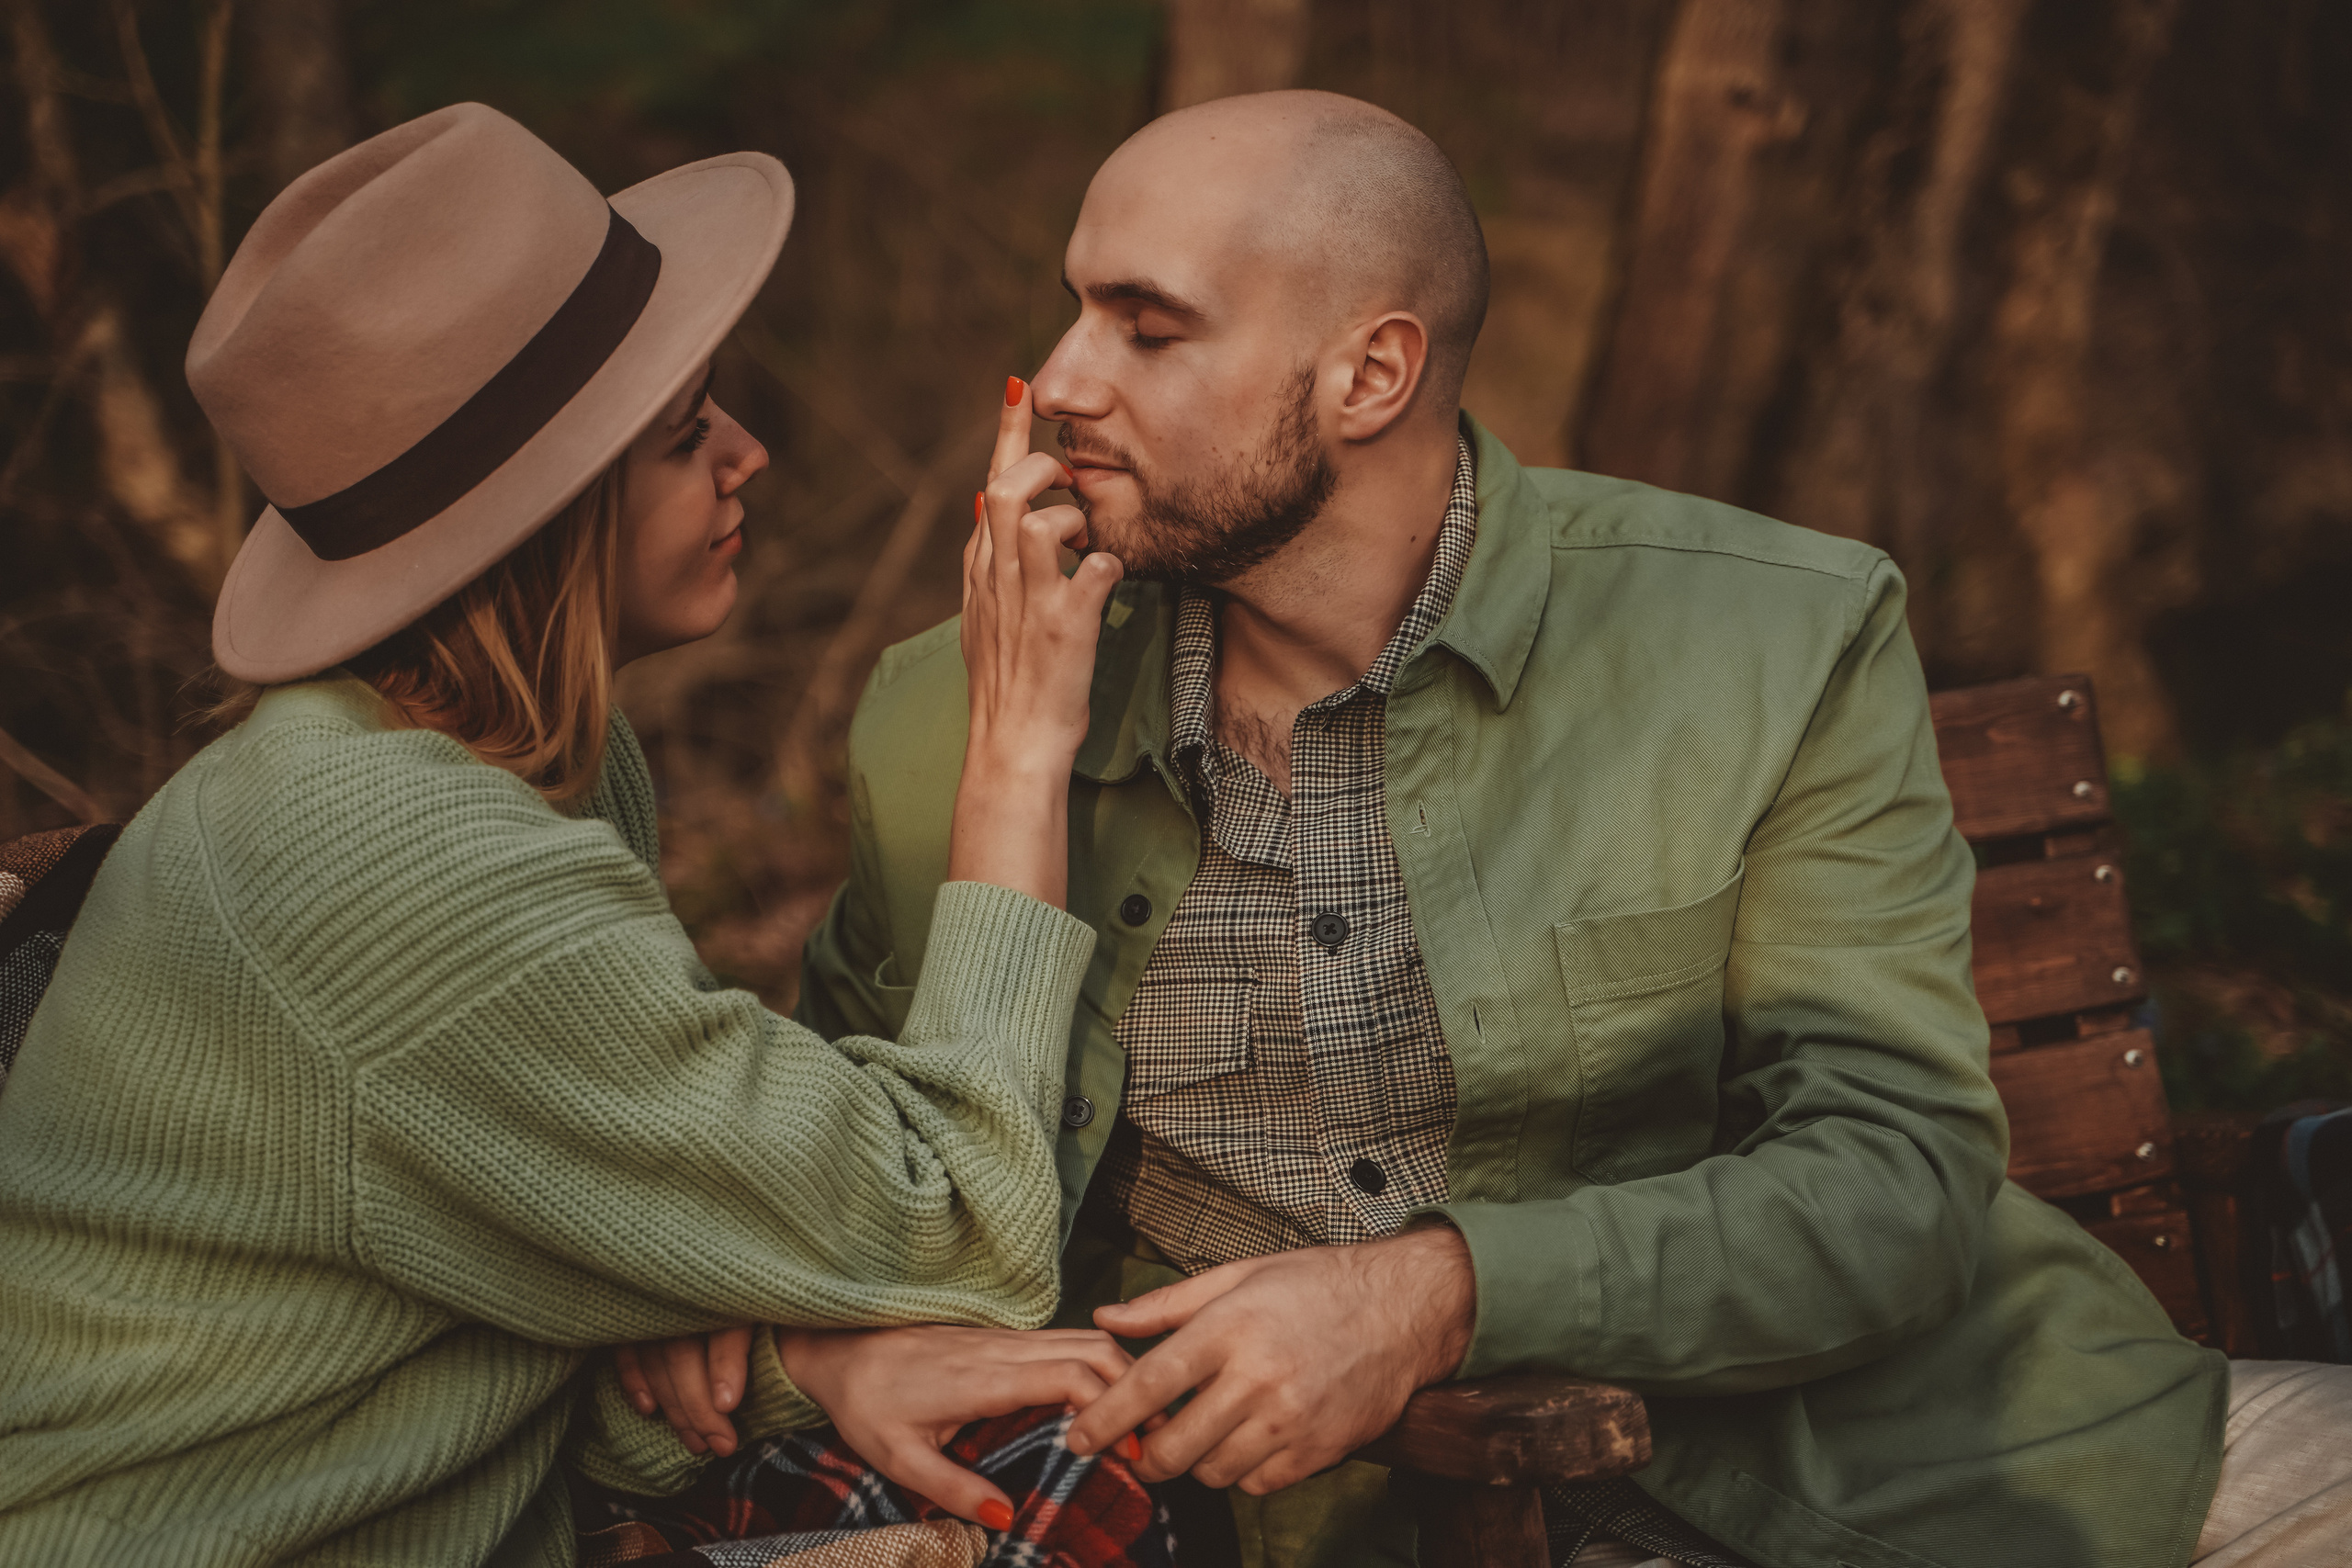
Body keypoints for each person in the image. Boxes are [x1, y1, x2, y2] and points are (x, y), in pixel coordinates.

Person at [793, 89, 2352, 1567]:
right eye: (1073, 307)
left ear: (1372, 375)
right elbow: (841, 1191)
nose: (1062, 380)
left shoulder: (1765, 638)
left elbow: (1894, 1177)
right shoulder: (953, 718)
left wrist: (1435, 1294)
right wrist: (814, 1338)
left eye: (1146, 326)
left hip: (1886, 1467)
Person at [0, 102, 1159, 1566]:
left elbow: (493, 1275)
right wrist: (1016, 746)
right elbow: (956, 1232)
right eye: (682, 436)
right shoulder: (408, 864)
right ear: (540, 524)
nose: (745, 451)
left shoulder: (502, 756)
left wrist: (779, 1350)